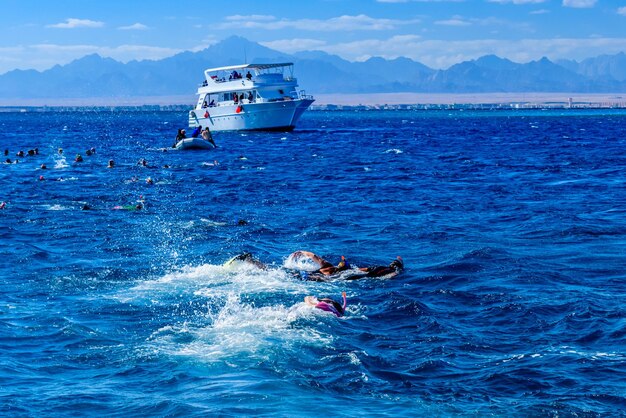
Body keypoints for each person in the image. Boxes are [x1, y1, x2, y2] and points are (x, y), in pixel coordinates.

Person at [290, 250, 404, 281]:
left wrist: (301, 252)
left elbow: (313, 256)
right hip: (342, 277)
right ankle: (396, 269)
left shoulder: (326, 266)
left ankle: (304, 276)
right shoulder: (341, 270)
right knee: (371, 273)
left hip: (328, 277)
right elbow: (314, 256)